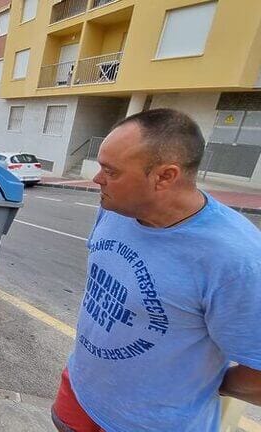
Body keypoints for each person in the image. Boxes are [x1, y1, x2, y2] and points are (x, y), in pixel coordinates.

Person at [52, 109, 261, 432]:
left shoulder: (236, 258)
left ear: (165, 176)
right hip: (79, 395)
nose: (97, 179)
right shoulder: (116, 208)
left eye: (111, 171)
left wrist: (206, 385)